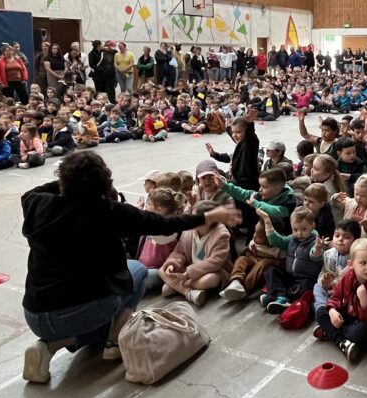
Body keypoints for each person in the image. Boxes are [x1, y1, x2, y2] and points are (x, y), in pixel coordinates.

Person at [19, 150, 239, 383]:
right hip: (77, 314)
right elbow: (164, 223)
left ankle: (50, 346)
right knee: (137, 272)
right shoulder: (107, 212)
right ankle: (104, 341)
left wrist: (72, 180)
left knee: (107, 306)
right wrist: (208, 216)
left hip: (34, 313)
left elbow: (38, 191)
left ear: (63, 180)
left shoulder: (36, 203)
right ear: (103, 183)